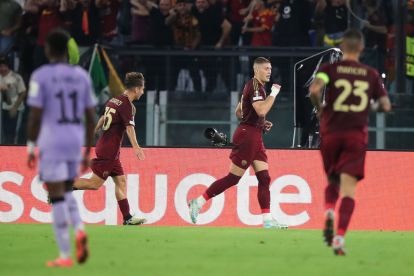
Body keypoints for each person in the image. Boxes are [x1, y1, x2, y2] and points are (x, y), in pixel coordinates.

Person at [309, 29, 391, 255]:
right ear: (362, 49)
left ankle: (328, 211)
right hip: (355, 136)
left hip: (331, 134)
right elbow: (385, 105)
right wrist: (368, 107)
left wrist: (321, 108)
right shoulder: (371, 74)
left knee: (332, 180)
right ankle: (339, 237)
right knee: (348, 190)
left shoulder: (329, 70)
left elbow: (314, 89)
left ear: (342, 47)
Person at [189, 57, 288, 229]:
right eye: (266, 68)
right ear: (256, 70)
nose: (269, 71)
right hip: (248, 136)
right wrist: (274, 93)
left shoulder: (252, 85)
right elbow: (261, 109)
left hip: (254, 134)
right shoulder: (257, 87)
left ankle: (268, 220)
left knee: (264, 178)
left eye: (270, 68)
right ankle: (198, 201)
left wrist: (260, 123)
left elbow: (239, 112)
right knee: (233, 178)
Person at [26, 28, 96, 267]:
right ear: (68, 51)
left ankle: (65, 255)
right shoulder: (81, 77)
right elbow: (90, 114)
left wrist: (30, 147)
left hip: (52, 139)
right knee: (67, 189)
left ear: (48, 50)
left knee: (55, 196)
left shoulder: (40, 76)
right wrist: (87, 151)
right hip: (74, 139)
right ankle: (79, 229)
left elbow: (35, 116)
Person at [73, 72, 147, 226]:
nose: (143, 92)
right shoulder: (127, 105)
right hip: (108, 150)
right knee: (94, 184)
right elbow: (129, 128)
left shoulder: (114, 100)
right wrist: (136, 147)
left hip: (110, 150)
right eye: (142, 89)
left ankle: (127, 218)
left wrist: (95, 129)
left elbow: (103, 118)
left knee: (121, 181)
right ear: (136, 89)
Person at [0, 55, 26, 144]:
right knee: (5, 132)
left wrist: (15, 107)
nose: (2, 68)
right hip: (3, 109)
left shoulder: (16, 77)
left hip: (15, 109)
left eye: (3, 66)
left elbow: (23, 93)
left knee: (14, 133)